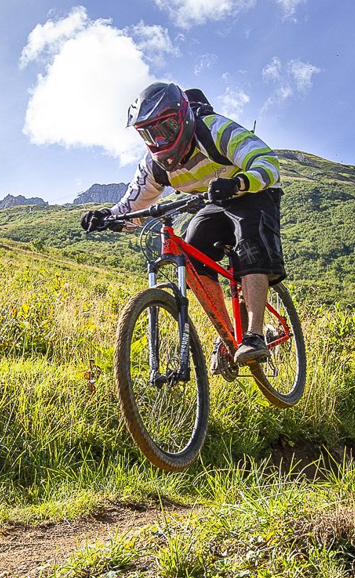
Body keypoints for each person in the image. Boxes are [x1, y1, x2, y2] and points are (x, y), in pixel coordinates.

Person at [81, 82, 286, 367]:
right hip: (213, 200)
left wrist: (239, 182)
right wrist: (107, 217)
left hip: (252, 188)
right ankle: (228, 338)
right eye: (149, 134)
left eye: (164, 128)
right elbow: (133, 205)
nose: (158, 139)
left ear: (183, 118)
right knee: (191, 253)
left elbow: (267, 162)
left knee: (250, 242)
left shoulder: (214, 130)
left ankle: (254, 336)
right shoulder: (153, 166)